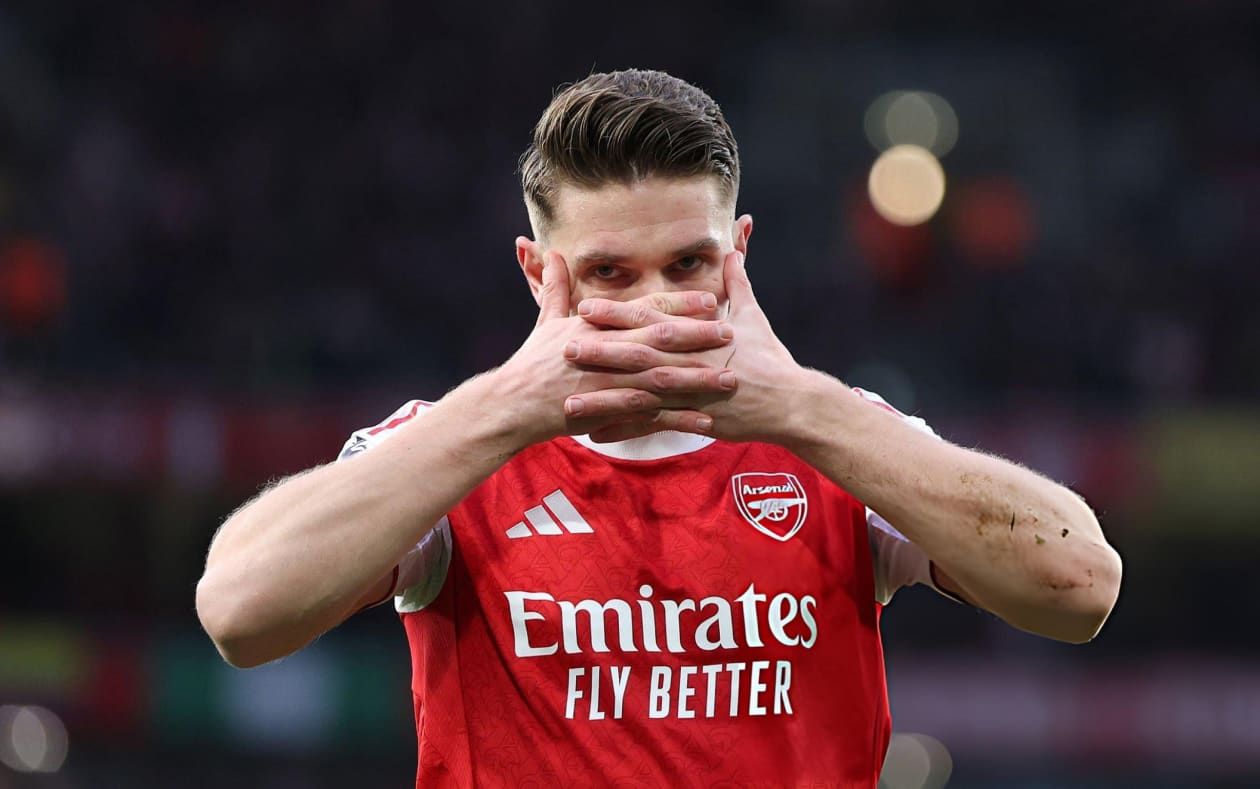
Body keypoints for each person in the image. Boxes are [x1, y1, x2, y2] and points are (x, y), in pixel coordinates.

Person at [195, 69, 1122, 788]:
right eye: (609, 273)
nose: (655, 305)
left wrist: (802, 407)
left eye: (687, 264)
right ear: (538, 272)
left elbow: (1080, 584)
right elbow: (239, 612)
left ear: (739, 253)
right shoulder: (454, 448)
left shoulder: (834, 438)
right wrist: (507, 408)